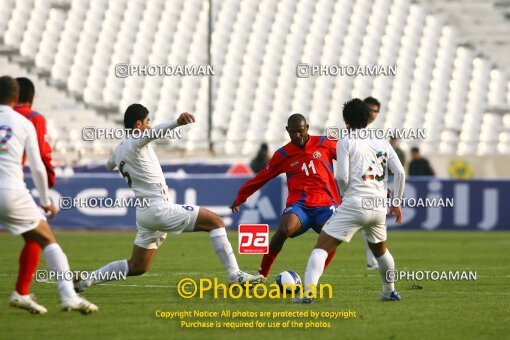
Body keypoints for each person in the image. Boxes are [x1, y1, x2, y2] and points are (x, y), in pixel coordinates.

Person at [74, 104, 263, 293]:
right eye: (147, 121)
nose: (149, 125)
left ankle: (87, 280)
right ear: (138, 124)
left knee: (137, 266)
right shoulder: (136, 140)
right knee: (216, 222)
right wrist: (176, 122)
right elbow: (153, 133)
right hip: (159, 208)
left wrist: (121, 158)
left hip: (144, 214)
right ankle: (234, 274)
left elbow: (109, 165)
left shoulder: (120, 149)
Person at [0, 76, 97, 314]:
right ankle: (68, 296)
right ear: (17, 97)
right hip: (9, 191)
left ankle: (22, 293)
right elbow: (37, 167)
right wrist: (45, 201)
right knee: (47, 239)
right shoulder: (22, 122)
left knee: (32, 236)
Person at [295, 98, 405, 303]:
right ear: (367, 117)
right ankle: (390, 292)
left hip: (356, 202)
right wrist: (396, 202)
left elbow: (341, 177)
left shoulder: (345, 141)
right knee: (380, 250)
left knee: (322, 247)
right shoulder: (382, 141)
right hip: (379, 206)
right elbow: (399, 172)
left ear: (346, 120)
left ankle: (308, 293)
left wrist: (345, 195)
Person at [230, 114, 339, 280]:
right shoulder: (283, 154)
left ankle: (312, 279)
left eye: (300, 131)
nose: (297, 135)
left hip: (325, 204)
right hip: (300, 206)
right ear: (287, 130)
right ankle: (261, 274)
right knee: (284, 229)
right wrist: (241, 196)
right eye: (293, 132)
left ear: (307, 128)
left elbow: (352, 159)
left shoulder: (326, 143)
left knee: (331, 237)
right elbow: (262, 177)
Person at [12, 77, 56, 304]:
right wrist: (48, 189)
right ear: (30, 98)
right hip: (9, 187)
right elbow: (40, 156)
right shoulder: (31, 118)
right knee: (41, 235)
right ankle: (22, 292)